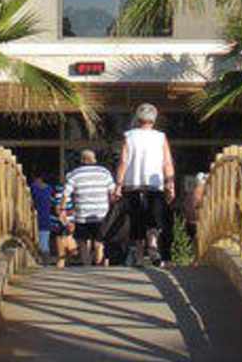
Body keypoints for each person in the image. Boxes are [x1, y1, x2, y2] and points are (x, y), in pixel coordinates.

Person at [114, 103, 175, 266]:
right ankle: (152, 243)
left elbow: (123, 161)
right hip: (155, 184)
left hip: (133, 184)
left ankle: (140, 256)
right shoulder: (160, 137)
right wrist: (170, 184)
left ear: (137, 119)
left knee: (136, 219)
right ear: (154, 120)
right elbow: (167, 162)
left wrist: (118, 184)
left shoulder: (129, 136)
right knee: (155, 217)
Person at [64, 148, 115, 266]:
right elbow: (112, 192)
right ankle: (98, 262)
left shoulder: (74, 174)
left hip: (82, 213)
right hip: (101, 213)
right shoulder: (104, 172)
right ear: (94, 159)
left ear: (82, 160)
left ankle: (86, 264)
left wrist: (62, 209)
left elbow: (66, 194)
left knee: (82, 241)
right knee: (99, 241)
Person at [30, 172, 56, 258]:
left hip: (35, 216)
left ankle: (43, 254)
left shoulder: (34, 187)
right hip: (46, 216)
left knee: (40, 237)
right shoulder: (49, 188)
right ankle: (45, 253)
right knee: (44, 236)